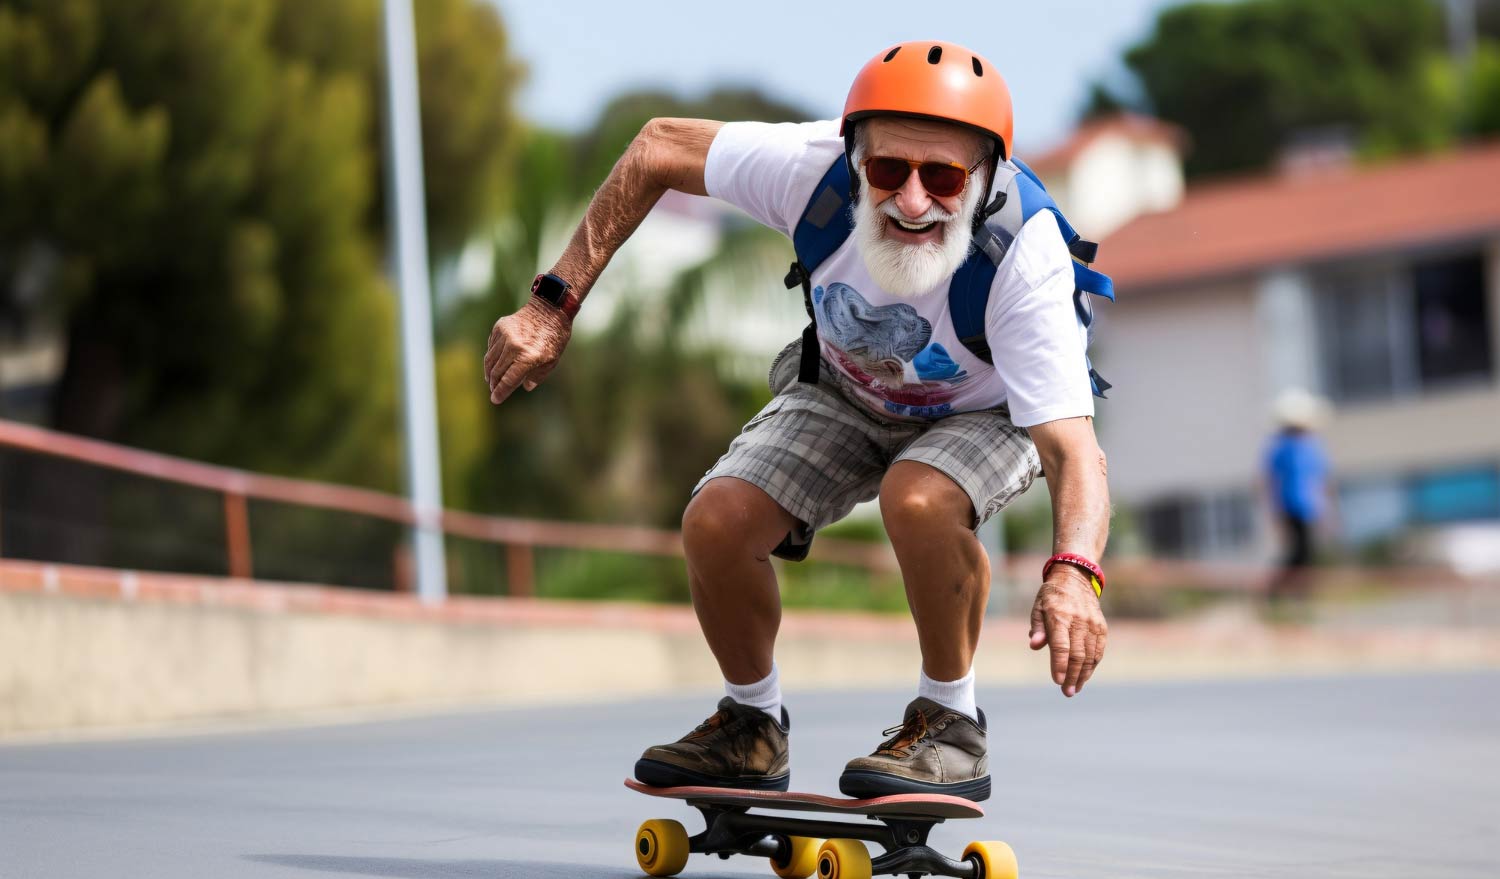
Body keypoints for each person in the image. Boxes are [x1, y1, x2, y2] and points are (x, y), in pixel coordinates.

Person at [484, 41, 1111, 800]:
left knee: (917, 499)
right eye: (888, 171)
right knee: (716, 521)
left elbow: (1075, 454)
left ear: (986, 176)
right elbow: (657, 147)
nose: (912, 202)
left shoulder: (1025, 257)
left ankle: (951, 721)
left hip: (988, 410)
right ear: (854, 159)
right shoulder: (804, 167)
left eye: (943, 178)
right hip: (845, 391)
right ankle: (752, 727)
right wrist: (553, 303)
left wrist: (1074, 574)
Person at [1263, 389, 1333, 602]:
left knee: (1306, 554)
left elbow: (1320, 481)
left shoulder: (1311, 446)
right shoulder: (1282, 447)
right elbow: (1271, 481)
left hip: (1308, 507)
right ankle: (1278, 594)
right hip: (1290, 507)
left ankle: (1299, 596)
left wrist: (1325, 510)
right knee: (1297, 553)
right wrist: (1275, 512)